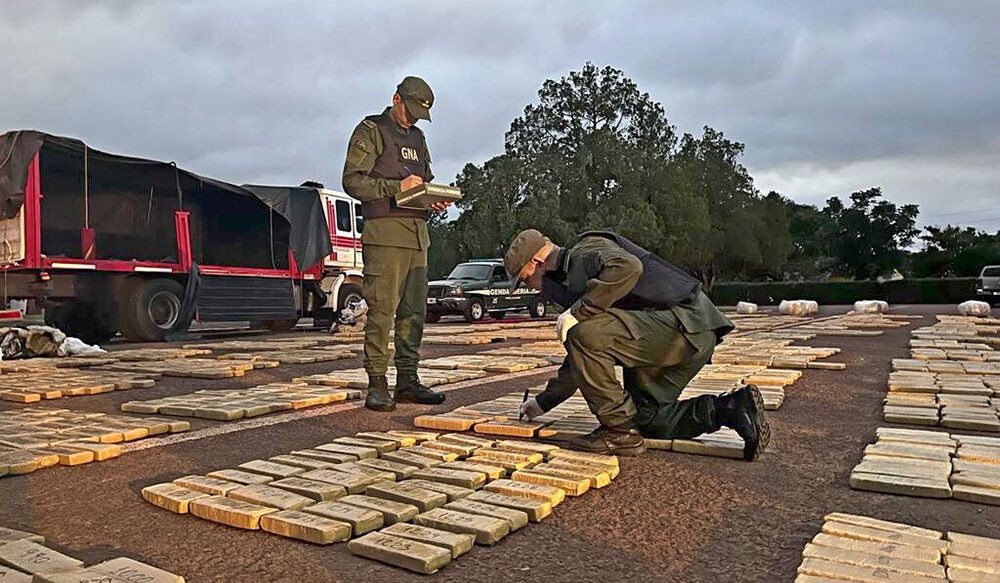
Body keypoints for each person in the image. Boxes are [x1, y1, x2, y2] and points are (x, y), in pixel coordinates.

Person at [504, 229, 770, 459]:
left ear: (537, 261)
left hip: (684, 325)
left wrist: (578, 312)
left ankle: (618, 432)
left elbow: (628, 267)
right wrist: (541, 403)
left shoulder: (584, 251)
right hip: (684, 333)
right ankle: (731, 409)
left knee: (583, 333)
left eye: (525, 279)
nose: (531, 288)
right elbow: (581, 357)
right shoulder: (570, 278)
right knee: (646, 419)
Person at [342, 76, 451, 411]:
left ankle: (408, 381)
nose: (413, 118)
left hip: (418, 236)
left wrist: (432, 197)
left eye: (420, 113)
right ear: (396, 99)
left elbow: (423, 181)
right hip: (386, 235)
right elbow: (352, 182)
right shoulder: (371, 130)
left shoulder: (418, 137)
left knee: (414, 312)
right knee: (382, 311)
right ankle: (377, 384)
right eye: (410, 110)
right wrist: (395, 188)